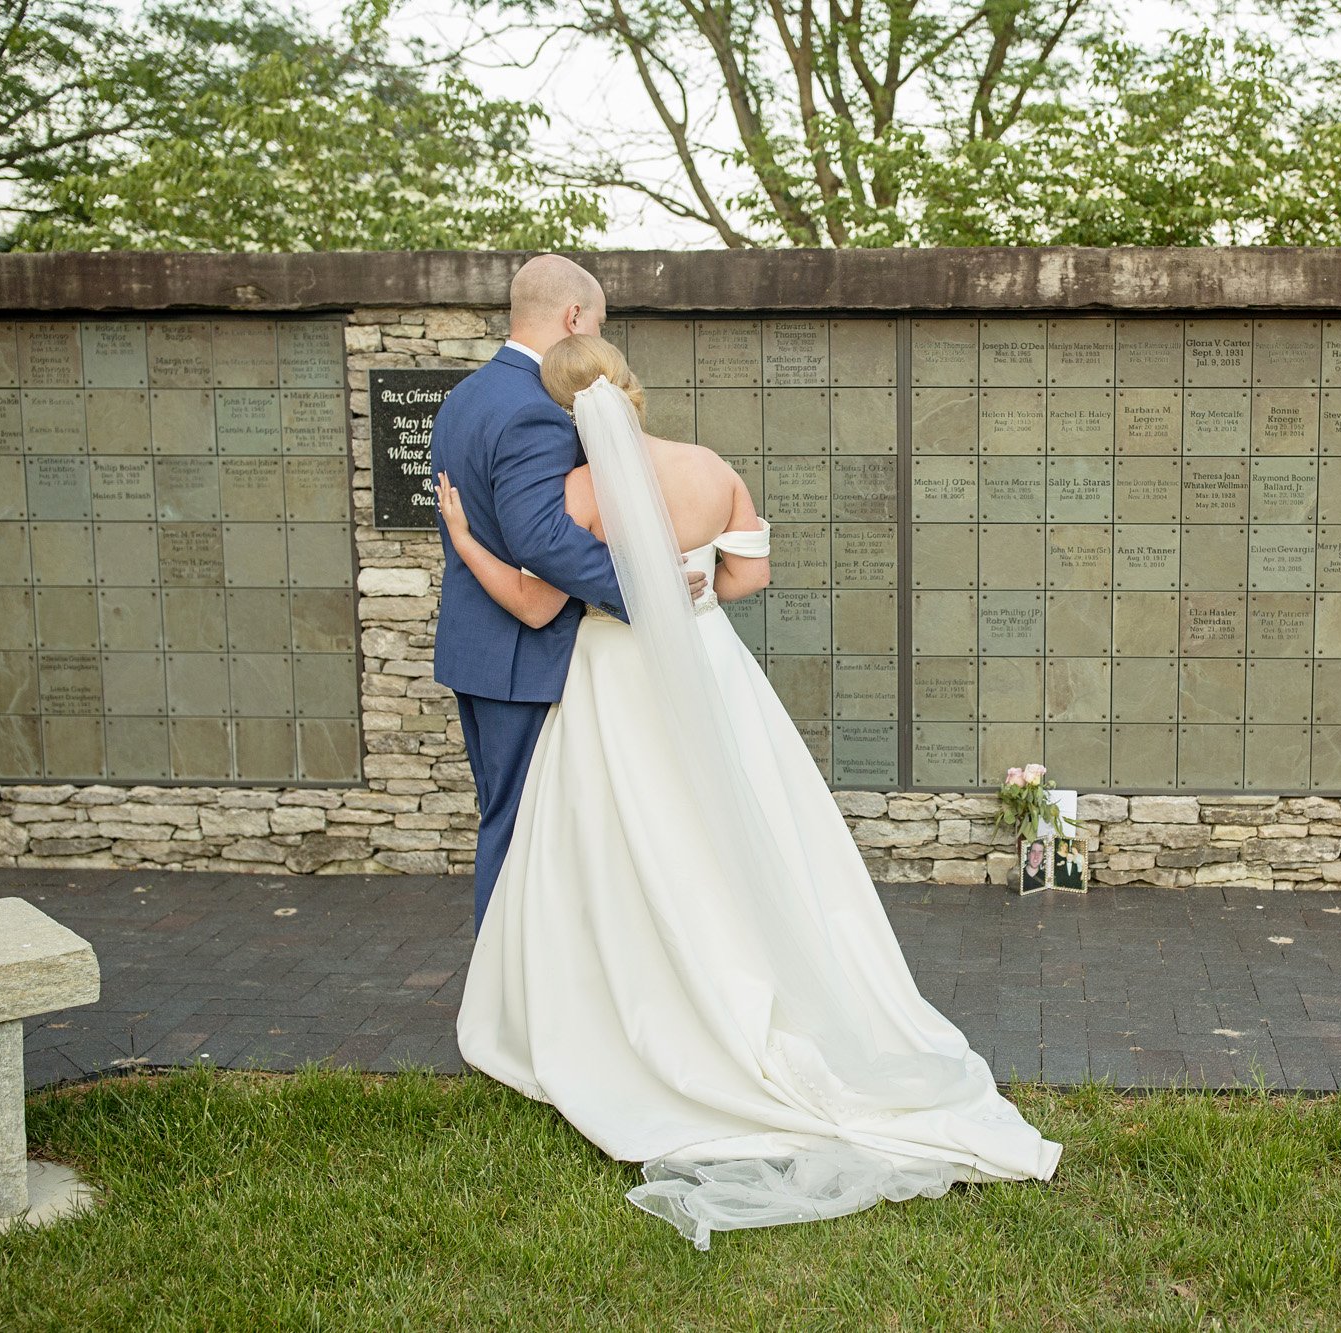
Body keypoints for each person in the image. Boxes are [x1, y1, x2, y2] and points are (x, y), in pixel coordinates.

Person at [442, 329, 1063, 1250]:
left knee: (629, 844)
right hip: (712, 667)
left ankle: (648, 1005)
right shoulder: (711, 468)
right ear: (633, 390)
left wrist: (462, 534)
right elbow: (751, 575)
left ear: (570, 408)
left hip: (615, 680)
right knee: (744, 828)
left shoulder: (578, 493)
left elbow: (537, 606)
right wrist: (688, 593)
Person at [428, 254, 709, 935]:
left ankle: (512, 994)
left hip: (478, 647)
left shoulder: (464, 397)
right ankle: (504, 1004)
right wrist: (650, 586)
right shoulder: (536, 412)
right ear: (573, 316)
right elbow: (542, 536)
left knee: (507, 815)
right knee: (524, 829)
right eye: (600, 322)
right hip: (523, 656)